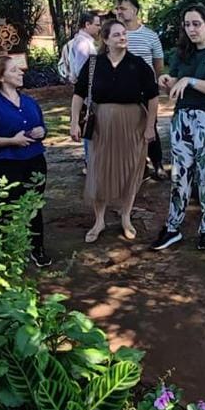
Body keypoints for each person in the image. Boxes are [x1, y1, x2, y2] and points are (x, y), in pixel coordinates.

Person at [150, 4, 205, 252]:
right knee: (180, 175)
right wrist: (167, 80)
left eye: (196, 23)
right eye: (187, 24)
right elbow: (176, 83)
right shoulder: (183, 52)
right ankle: (173, 227)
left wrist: (190, 80)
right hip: (183, 119)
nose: (191, 29)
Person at [70, 19, 158, 243]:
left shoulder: (138, 64)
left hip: (133, 123)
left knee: (130, 169)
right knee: (99, 170)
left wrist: (150, 127)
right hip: (101, 124)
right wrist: (73, 123)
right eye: (117, 34)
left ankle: (126, 216)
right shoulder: (93, 64)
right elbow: (78, 94)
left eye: (124, 34)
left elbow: (153, 97)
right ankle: (99, 220)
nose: (122, 37)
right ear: (105, 39)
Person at [0, 56, 51, 267]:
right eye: (14, 70)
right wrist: (11, 141)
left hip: (34, 161)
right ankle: (6, 252)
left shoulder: (29, 101)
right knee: (6, 209)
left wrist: (42, 132)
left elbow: (43, 127)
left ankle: (37, 248)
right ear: (0, 77)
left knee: (34, 206)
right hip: (5, 165)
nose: (21, 72)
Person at [116, 0, 167, 179]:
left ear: (135, 10)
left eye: (124, 8)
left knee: (150, 126)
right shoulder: (115, 34)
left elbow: (158, 63)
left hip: (146, 92)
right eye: (118, 8)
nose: (120, 12)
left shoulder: (150, 36)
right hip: (121, 92)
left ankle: (158, 164)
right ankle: (138, 165)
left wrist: (157, 81)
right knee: (128, 130)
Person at [60, 11, 101, 172]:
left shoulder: (79, 41)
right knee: (89, 128)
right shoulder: (84, 44)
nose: (99, 28)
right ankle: (90, 164)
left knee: (88, 128)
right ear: (87, 25)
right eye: (97, 25)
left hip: (85, 94)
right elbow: (83, 73)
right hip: (87, 95)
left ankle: (90, 163)